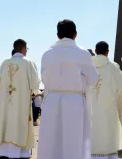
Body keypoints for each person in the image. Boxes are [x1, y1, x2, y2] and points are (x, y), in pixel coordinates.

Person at [37, 19, 99, 159]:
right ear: (75, 34)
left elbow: (44, 79)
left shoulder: (47, 54)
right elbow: (94, 79)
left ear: (57, 35)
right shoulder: (82, 53)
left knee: (51, 141)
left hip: (51, 100)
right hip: (74, 101)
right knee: (73, 142)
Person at [0, 39, 40, 158]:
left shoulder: (5, 63)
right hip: (21, 104)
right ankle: (21, 153)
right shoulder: (29, 63)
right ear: (23, 48)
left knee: (6, 123)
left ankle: (4, 151)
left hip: (6, 104)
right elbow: (35, 84)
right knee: (20, 124)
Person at [90, 41, 122, 159]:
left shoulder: (87, 66)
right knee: (108, 131)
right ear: (107, 52)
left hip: (90, 107)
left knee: (92, 131)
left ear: (95, 51)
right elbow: (120, 85)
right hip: (108, 106)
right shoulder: (113, 66)